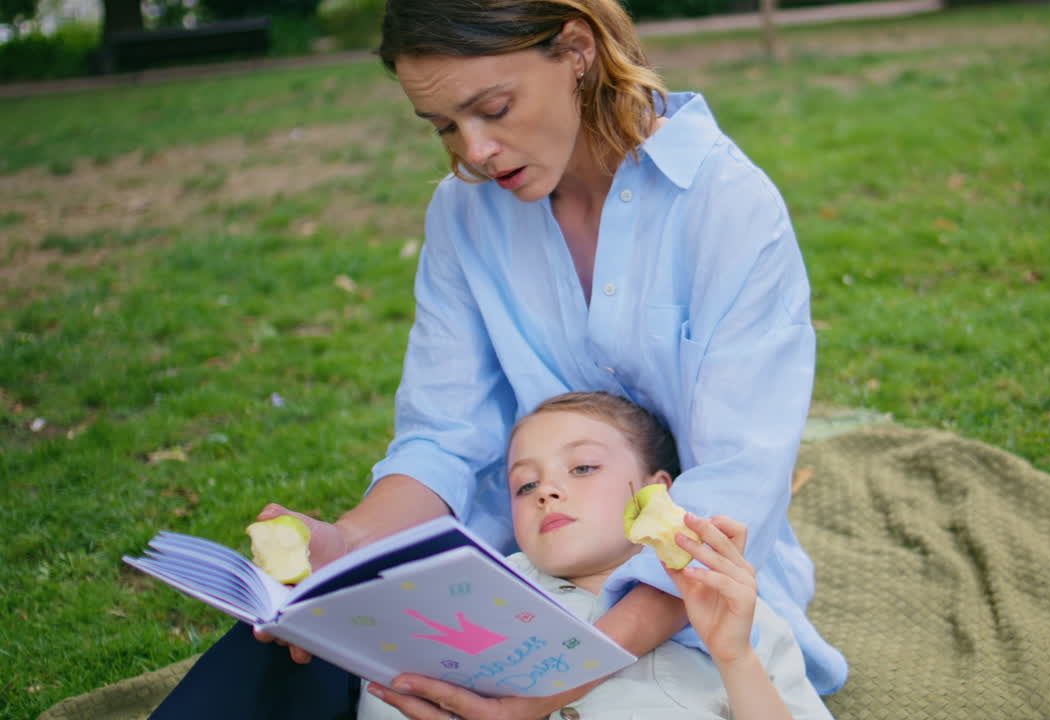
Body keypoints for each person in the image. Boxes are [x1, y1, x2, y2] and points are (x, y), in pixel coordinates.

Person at [150, 0, 846, 716]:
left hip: (685, 607)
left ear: (577, 50)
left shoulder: (728, 207)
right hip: (502, 583)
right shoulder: (462, 213)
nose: (473, 152)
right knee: (272, 660)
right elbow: (444, 438)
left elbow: (734, 492)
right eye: (445, 126)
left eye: (494, 108)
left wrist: (554, 682)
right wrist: (346, 542)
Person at [358, 392, 833, 720]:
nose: (547, 490)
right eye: (524, 485)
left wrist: (735, 659)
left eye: (583, 467)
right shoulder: (469, 599)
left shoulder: (733, 611)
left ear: (656, 491)